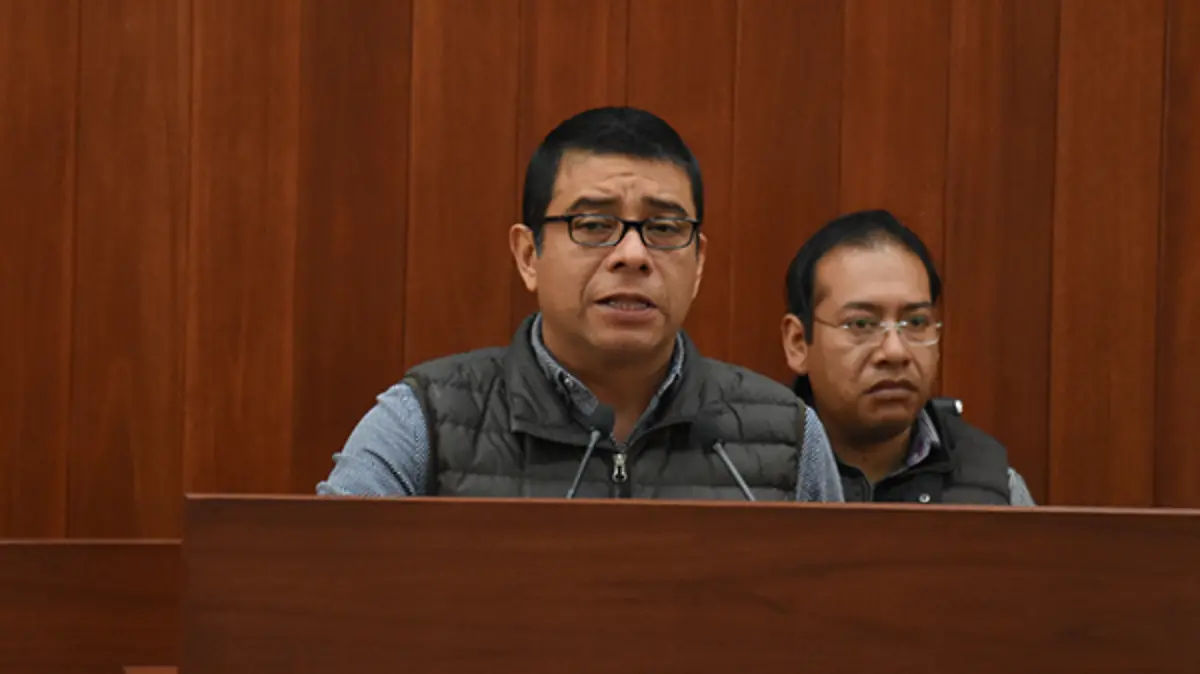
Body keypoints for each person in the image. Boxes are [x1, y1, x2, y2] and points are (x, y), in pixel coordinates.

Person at [318, 106, 844, 502]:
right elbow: (323, 591)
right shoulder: (425, 422)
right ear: (529, 255)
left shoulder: (788, 437)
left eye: (664, 228)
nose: (633, 255)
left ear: (699, 262)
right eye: (593, 225)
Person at [780, 209, 1035, 505]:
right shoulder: (750, 476)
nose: (895, 352)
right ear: (798, 343)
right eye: (861, 324)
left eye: (916, 322)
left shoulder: (995, 487)